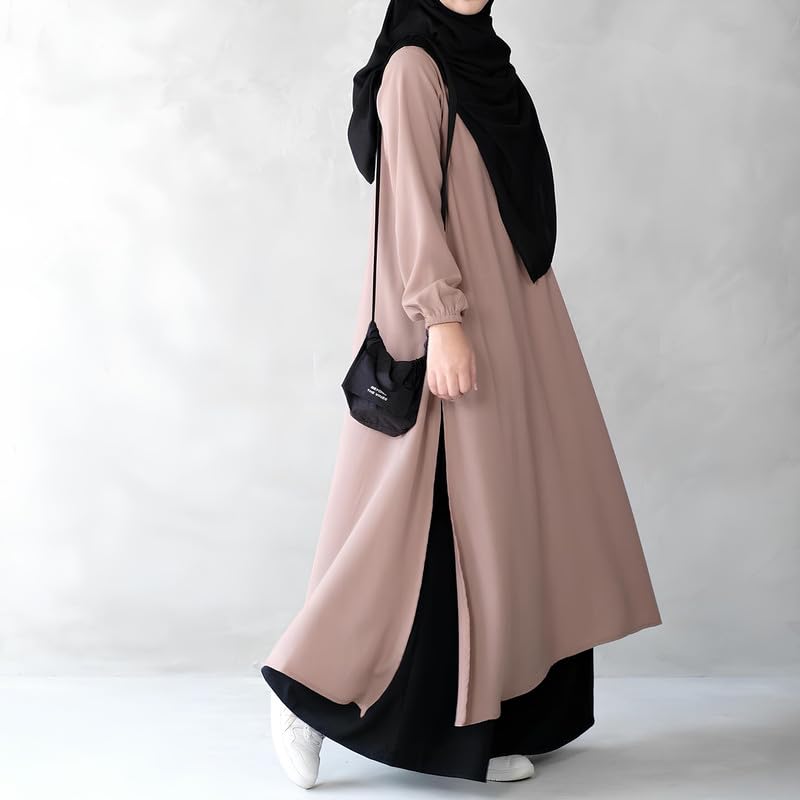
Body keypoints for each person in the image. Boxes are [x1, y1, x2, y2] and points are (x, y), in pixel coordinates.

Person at [261, 0, 662, 788]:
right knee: (411, 522)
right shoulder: (414, 70)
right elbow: (409, 204)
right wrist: (440, 320)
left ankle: (478, 723)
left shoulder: (488, 68)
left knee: (498, 522)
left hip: (513, 323)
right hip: (448, 321)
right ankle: (305, 693)